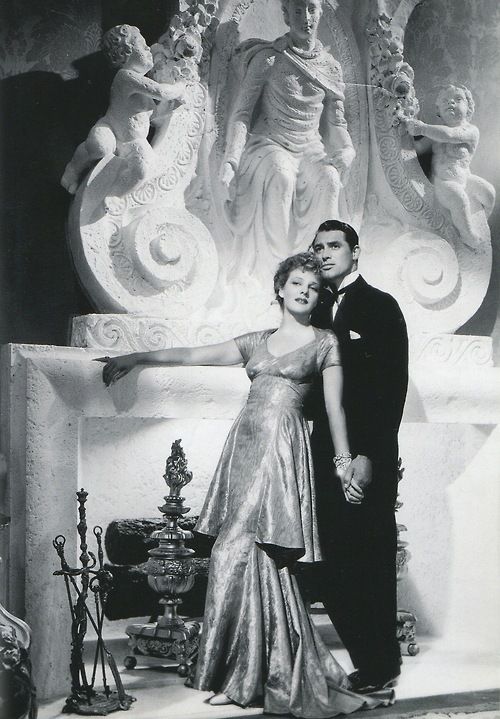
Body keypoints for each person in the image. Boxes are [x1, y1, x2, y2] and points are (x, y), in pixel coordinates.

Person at [98, 253, 393, 716]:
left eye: (313, 287)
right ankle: (240, 674)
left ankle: (262, 675)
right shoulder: (256, 341)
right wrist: (136, 357)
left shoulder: (325, 342)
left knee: (263, 558)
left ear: (319, 297)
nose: (304, 291)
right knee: (233, 556)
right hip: (245, 448)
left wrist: (342, 462)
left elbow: (335, 408)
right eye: (296, 283)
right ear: (280, 289)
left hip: (283, 451)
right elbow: (193, 355)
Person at [310, 220, 408, 694]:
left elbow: (391, 390)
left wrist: (368, 456)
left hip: (371, 454)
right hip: (322, 455)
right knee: (329, 564)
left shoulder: (380, 306)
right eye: (318, 247)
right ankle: (369, 661)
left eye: (334, 245)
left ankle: (381, 666)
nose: (325, 254)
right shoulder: (312, 309)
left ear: (355, 251)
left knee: (370, 560)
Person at [220, 0, 355, 290]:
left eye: (311, 9)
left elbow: (337, 124)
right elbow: (242, 114)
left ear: (320, 12)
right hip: (270, 144)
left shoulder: (330, 68)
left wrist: (348, 150)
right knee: (280, 176)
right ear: (285, 14)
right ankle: (278, 272)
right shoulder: (269, 59)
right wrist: (231, 160)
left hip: (310, 149)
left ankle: (320, 273)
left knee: (329, 179)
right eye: (297, 10)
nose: (305, 17)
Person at [61, 24, 185, 199]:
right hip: (111, 128)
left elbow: (152, 115)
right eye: (143, 45)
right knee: (100, 146)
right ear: (125, 53)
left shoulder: (142, 89)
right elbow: (162, 92)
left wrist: (169, 109)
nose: (148, 48)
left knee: (143, 170)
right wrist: (181, 86)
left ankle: (112, 198)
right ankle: (73, 169)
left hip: (133, 141)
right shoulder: (125, 76)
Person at [405, 84, 495, 248]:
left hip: (466, 179)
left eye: (457, 99)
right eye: (445, 100)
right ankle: (467, 235)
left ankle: (480, 221)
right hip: (444, 182)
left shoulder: (471, 131)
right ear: (438, 111)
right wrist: (405, 132)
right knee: (458, 199)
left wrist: (422, 128)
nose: (450, 102)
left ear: (469, 107)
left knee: (489, 193)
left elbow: (451, 135)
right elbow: (418, 149)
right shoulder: (434, 134)